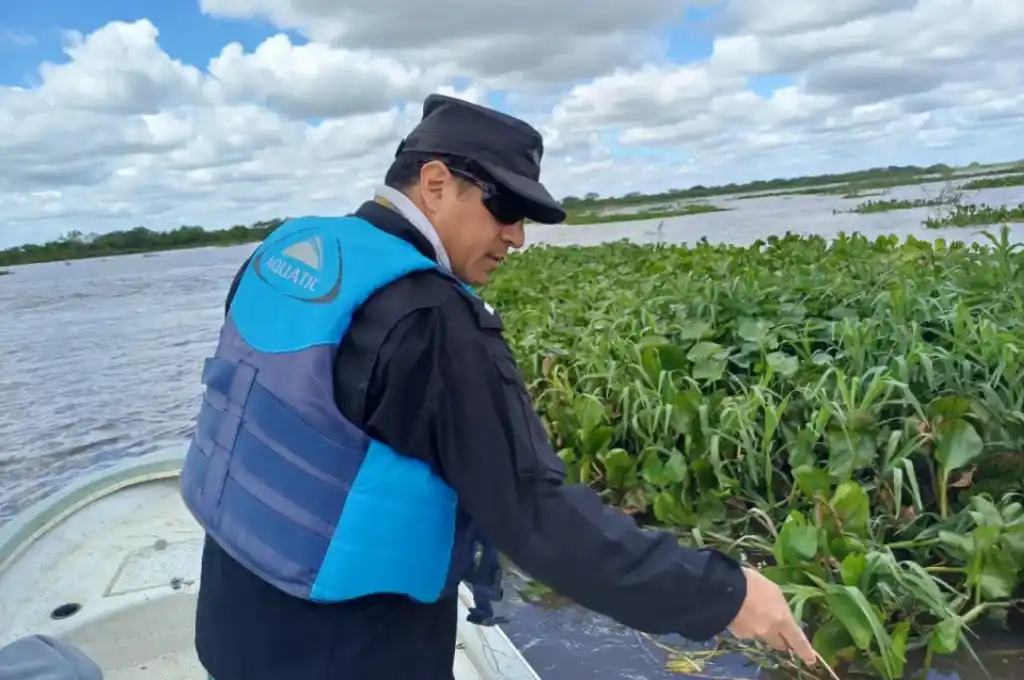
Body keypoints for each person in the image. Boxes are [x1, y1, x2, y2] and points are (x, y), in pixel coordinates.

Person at [179, 93, 816, 680]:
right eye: (505, 208)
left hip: (231, 627)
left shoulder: (282, 253)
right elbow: (536, 514)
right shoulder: (432, 318)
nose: (517, 236)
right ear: (435, 183)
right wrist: (724, 592)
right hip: (348, 652)